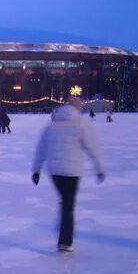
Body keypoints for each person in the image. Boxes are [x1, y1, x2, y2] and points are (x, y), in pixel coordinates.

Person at [32, 97, 106, 252]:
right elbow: (93, 147)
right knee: (69, 205)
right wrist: (100, 169)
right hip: (72, 171)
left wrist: (36, 170)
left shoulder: (52, 124)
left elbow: (41, 148)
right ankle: (65, 242)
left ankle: (63, 225)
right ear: (78, 109)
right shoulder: (81, 123)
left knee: (66, 202)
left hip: (54, 171)